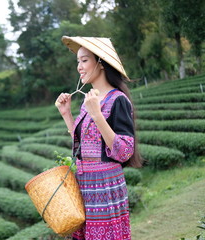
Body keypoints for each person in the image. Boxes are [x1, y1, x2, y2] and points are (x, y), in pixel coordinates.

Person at [55, 36, 142, 240]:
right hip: (85, 184)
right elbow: (83, 145)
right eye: (78, 61)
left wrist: (97, 115)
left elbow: (124, 151)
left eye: (84, 60)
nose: (79, 67)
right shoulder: (88, 102)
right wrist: (67, 115)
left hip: (105, 186)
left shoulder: (118, 100)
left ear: (100, 63)